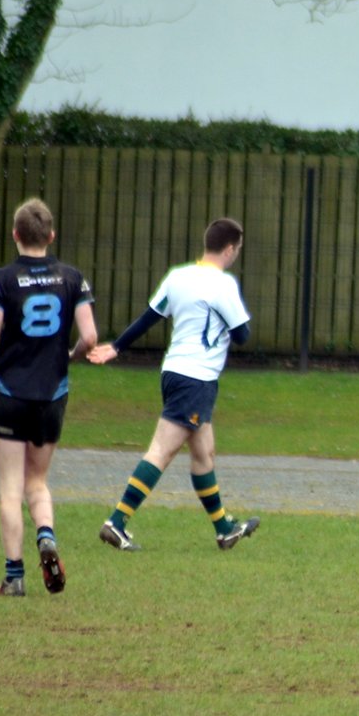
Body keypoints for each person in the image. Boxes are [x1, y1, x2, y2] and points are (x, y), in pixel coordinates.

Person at [88, 217, 259, 552]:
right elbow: (242, 335)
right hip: (196, 378)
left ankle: (224, 530)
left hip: (174, 373)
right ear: (229, 249)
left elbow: (150, 316)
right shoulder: (223, 285)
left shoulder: (178, 276)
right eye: (237, 249)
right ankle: (116, 522)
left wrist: (117, 346)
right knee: (161, 451)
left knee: (204, 453)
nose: (236, 254)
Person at [0, 198, 98, 597]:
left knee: (10, 488)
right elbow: (90, 337)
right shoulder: (73, 278)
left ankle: (14, 577)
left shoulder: (1, 281)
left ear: (15, 235)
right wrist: (71, 355)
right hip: (51, 394)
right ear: (51, 236)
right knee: (37, 482)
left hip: (9, 393)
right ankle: (46, 535)